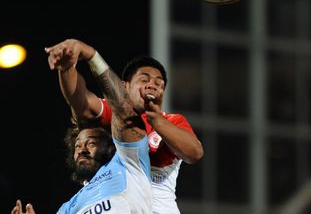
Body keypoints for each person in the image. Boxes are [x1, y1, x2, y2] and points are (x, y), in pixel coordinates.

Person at [46, 39, 204, 214]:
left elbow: (194, 153)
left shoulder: (171, 121)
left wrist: (156, 121)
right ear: (124, 86)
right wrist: (66, 68)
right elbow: (80, 100)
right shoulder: (116, 113)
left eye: (159, 84)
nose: (152, 85)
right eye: (144, 79)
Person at [12, 39, 153, 213]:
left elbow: (123, 107)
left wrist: (91, 55)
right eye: (78, 145)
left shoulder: (129, 163)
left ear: (111, 146)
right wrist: (65, 68)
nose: (82, 150)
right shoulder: (68, 207)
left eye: (91, 143)